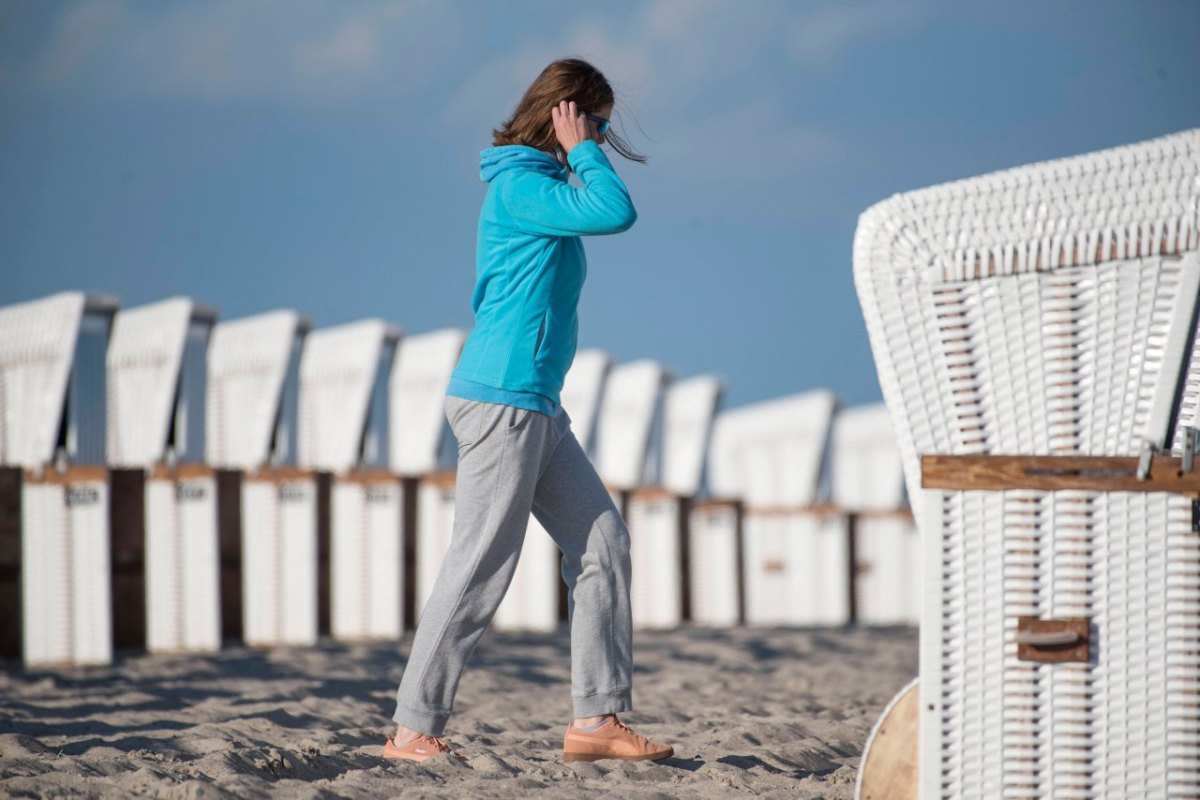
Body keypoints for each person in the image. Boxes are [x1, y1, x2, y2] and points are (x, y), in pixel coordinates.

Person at [384, 58, 674, 765]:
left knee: (603, 544)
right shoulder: (520, 186)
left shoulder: (540, 188)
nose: (603, 140)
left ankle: (596, 720)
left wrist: (579, 152)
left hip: (537, 406)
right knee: (480, 565)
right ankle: (412, 729)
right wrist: (581, 150)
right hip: (500, 402)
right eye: (596, 124)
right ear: (565, 114)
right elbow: (616, 212)